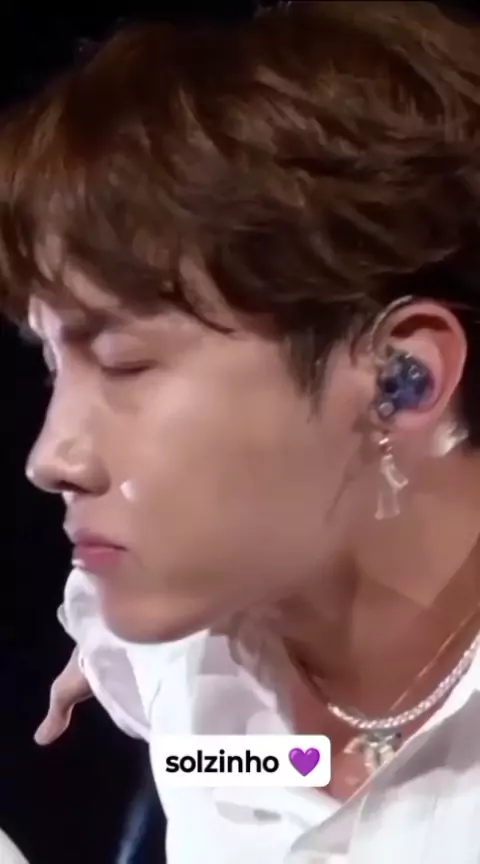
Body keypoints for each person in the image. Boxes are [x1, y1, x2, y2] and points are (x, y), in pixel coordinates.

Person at [1, 1, 480, 860]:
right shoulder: (169, 632)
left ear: (401, 378)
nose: (50, 457)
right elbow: (284, 766)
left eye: (123, 363)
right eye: (51, 364)